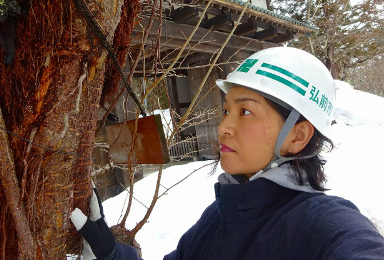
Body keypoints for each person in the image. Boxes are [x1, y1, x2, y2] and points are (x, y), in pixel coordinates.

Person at [70, 47, 384, 260]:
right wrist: (112, 254)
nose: (223, 128)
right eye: (226, 110)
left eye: (245, 111)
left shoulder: (322, 223)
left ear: (298, 135)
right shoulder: (219, 214)